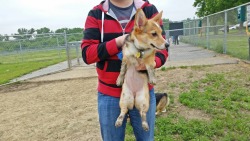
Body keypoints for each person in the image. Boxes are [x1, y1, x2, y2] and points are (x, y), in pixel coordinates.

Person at [81, 0, 168, 140]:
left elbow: (163, 47)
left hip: (142, 89)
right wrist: (119, 42)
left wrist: (151, 63)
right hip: (109, 94)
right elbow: (87, 54)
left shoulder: (149, 10)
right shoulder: (96, 14)